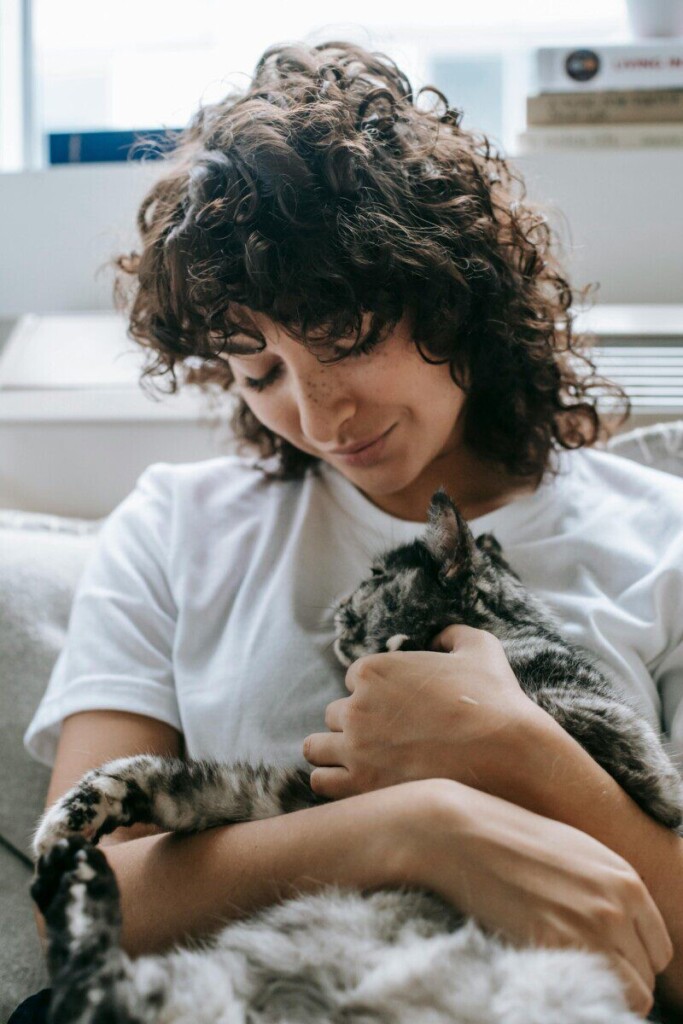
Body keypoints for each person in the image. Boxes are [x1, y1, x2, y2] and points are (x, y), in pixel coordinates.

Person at [13, 40, 683, 1023]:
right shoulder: (175, 527)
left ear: (449, 289)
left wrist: (519, 755)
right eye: (260, 371)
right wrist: (419, 825)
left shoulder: (660, 539)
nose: (320, 419)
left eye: (344, 338)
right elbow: (80, 896)